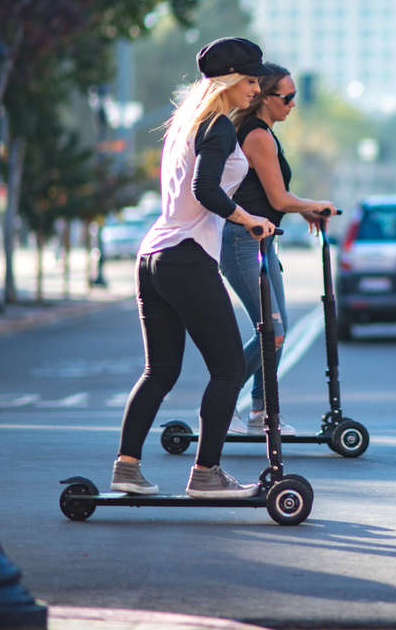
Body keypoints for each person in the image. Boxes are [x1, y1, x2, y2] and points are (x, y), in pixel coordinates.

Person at [110, 37, 276, 499]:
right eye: (250, 79)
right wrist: (249, 219)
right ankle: (206, 473)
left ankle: (126, 467)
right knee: (227, 369)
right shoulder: (219, 125)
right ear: (229, 80)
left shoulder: (185, 123)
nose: (256, 88)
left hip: (153, 256)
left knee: (159, 371)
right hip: (186, 255)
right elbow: (205, 190)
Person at [219, 62, 335, 434]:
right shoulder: (256, 135)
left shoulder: (265, 132)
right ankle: (219, 406)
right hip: (241, 241)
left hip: (263, 241)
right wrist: (313, 206)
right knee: (273, 329)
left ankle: (260, 414)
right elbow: (279, 198)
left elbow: (273, 200)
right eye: (286, 97)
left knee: (275, 329)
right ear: (265, 98)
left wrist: (303, 210)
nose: (292, 104)